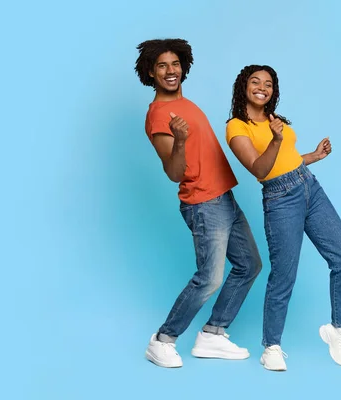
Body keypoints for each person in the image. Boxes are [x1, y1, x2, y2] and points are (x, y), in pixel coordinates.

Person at [134, 39, 262, 368]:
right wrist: (179, 140)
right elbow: (174, 173)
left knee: (249, 265)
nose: (170, 70)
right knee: (209, 277)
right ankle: (163, 340)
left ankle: (213, 334)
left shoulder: (185, 103)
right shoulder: (159, 114)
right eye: (161, 65)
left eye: (174, 64)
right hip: (204, 204)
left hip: (225, 197)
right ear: (151, 72)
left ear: (183, 67)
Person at [225, 65, 341, 371]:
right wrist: (273, 139)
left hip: (308, 184)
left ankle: (338, 331)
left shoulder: (276, 120)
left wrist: (313, 156)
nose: (262, 87)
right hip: (280, 198)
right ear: (243, 87)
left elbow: (288, 159)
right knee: (284, 275)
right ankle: (271, 346)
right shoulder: (236, 127)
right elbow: (260, 169)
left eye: (268, 83)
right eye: (255, 82)